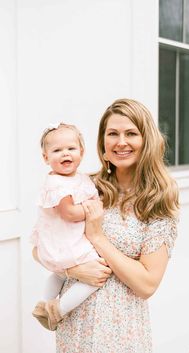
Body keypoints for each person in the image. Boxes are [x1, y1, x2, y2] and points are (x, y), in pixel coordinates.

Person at [55, 98, 179, 353]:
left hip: (121, 329)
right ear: (102, 143)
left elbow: (147, 284)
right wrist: (74, 270)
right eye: (112, 133)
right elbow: (42, 245)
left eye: (131, 133)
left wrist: (98, 238)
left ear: (146, 140)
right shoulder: (84, 187)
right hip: (75, 321)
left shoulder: (157, 200)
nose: (121, 142)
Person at [31, 122, 105, 331]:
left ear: (81, 151)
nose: (65, 154)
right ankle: (58, 311)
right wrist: (95, 207)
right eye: (57, 150)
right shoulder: (57, 184)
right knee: (94, 278)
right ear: (46, 158)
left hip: (64, 240)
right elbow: (70, 213)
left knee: (58, 275)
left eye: (71, 148)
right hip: (65, 242)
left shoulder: (79, 178)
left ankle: (44, 305)